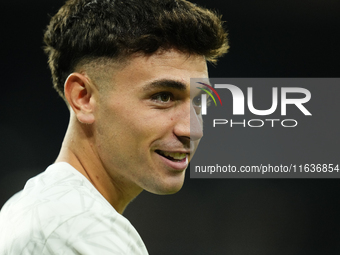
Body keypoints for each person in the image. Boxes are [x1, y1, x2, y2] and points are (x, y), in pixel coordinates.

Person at [0, 0, 228, 254]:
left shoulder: (32, 208)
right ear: (83, 97)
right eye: (163, 97)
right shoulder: (75, 229)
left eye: (200, 101)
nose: (192, 129)